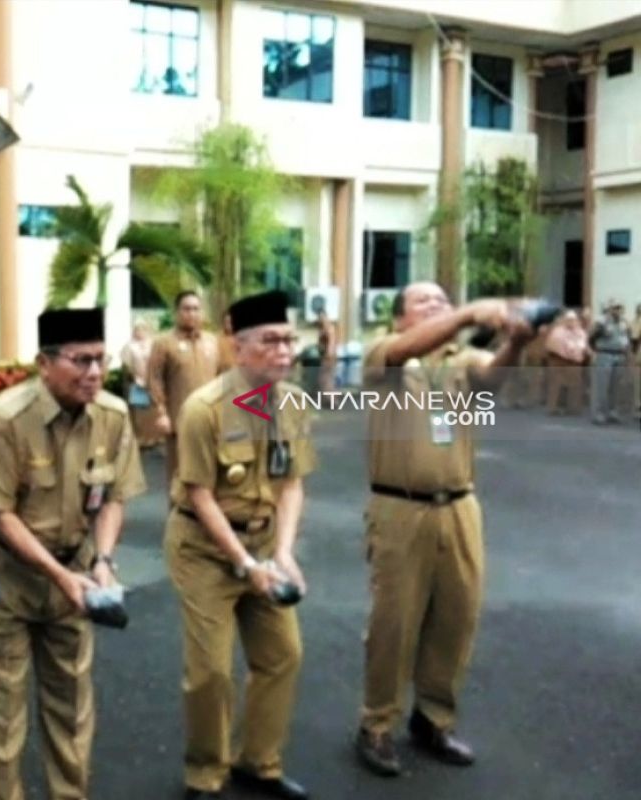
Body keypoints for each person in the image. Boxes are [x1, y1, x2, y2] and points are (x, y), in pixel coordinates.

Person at [355, 282, 536, 777]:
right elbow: (403, 350)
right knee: (394, 623)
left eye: (443, 301)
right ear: (400, 319)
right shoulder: (385, 357)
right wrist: (466, 314)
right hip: (399, 508)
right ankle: (376, 724)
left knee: (456, 617)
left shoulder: (463, 361)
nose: (437, 307)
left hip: (459, 507)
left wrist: (517, 341)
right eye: (424, 303)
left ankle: (434, 718)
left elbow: (493, 382)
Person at [0, 308, 145, 800]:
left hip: (76, 573)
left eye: (100, 360)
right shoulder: (5, 419)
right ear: (43, 364)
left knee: (71, 709)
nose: (94, 373)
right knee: (2, 720)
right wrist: (61, 577)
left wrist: (102, 562)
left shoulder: (112, 415)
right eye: (80, 360)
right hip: (8, 579)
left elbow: (113, 497)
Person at [165, 290, 314, 800]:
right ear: (238, 346)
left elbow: (291, 483)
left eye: (289, 339)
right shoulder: (203, 409)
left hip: (264, 545)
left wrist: (284, 553)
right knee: (210, 671)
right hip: (205, 550)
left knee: (283, 655)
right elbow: (201, 496)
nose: (284, 351)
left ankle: (259, 762)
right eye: (270, 341)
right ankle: (205, 774)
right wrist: (244, 562)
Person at [149, 291, 219, 492]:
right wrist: (161, 413)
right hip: (179, 420)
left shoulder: (211, 341)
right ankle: (178, 519)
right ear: (177, 312)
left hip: (210, 420)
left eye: (196, 309)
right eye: (186, 309)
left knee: (210, 473)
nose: (192, 314)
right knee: (180, 475)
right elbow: (154, 379)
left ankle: (206, 519)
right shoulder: (164, 342)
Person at [119, 320, 162, 447]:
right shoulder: (129, 346)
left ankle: (156, 437)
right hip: (136, 383)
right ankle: (140, 438)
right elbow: (126, 366)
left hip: (153, 382)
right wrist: (134, 378)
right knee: (139, 411)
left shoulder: (154, 344)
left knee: (153, 410)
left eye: (142, 329)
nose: (140, 332)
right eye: (137, 329)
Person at [589, 299, 632, 424]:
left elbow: (627, 338)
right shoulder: (601, 322)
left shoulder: (623, 323)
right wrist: (596, 349)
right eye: (615, 308)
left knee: (616, 385)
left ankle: (613, 411)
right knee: (602, 385)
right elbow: (591, 338)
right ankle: (599, 413)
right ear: (609, 309)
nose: (617, 311)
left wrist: (627, 354)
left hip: (619, 355)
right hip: (605, 353)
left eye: (619, 308)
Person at [545, 311, 589, 416]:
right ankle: (553, 408)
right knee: (556, 385)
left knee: (575, 385)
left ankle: (573, 408)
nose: (571, 322)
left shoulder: (580, 332)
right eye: (569, 320)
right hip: (559, 361)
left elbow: (583, 346)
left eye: (573, 320)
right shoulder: (558, 331)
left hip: (574, 362)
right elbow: (552, 346)